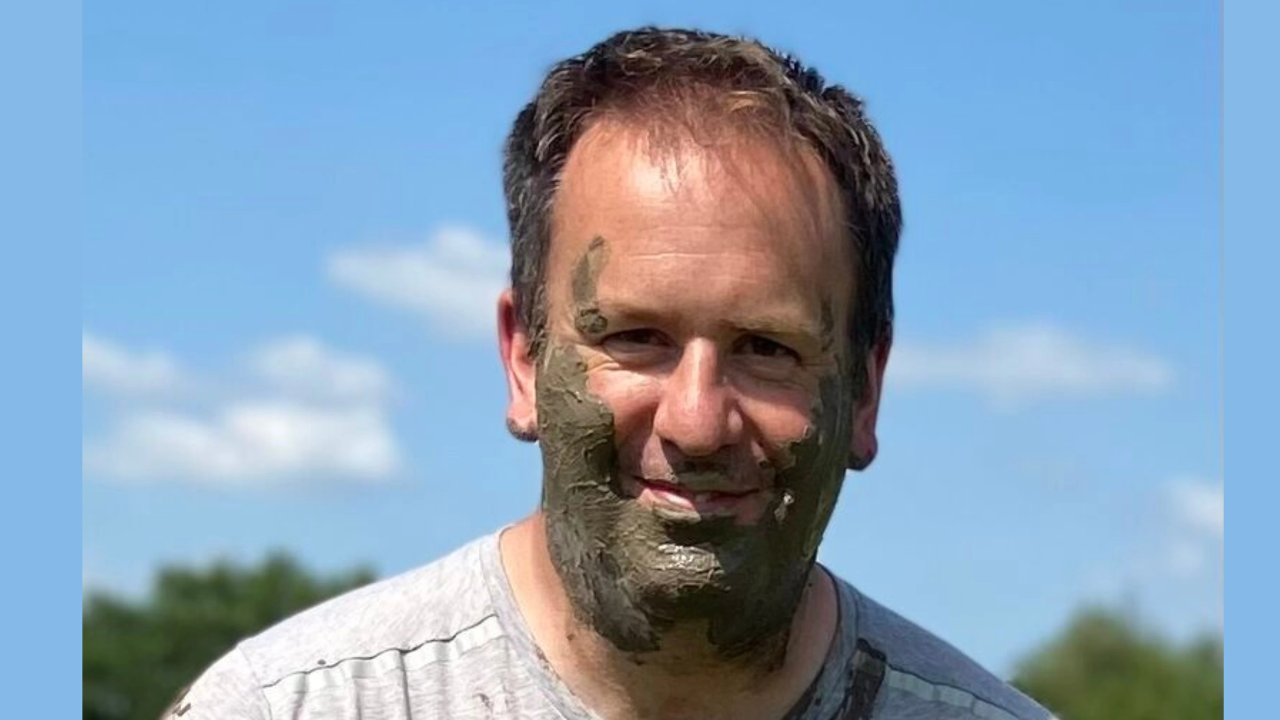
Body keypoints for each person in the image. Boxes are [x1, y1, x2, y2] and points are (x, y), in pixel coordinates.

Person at [172, 27, 1054, 720]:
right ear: (524, 357)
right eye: (635, 337)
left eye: (767, 348)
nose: (698, 422)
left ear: (864, 390)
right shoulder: (289, 707)